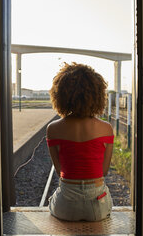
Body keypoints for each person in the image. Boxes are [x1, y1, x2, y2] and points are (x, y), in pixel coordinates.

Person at [46, 62, 114, 221]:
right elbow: (103, 171)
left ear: (60, 95)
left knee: (51, 202)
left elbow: (60, 170)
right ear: (97, 95)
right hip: (98, 206)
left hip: (65, 206)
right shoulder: (106, 128)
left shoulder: (53, 129)